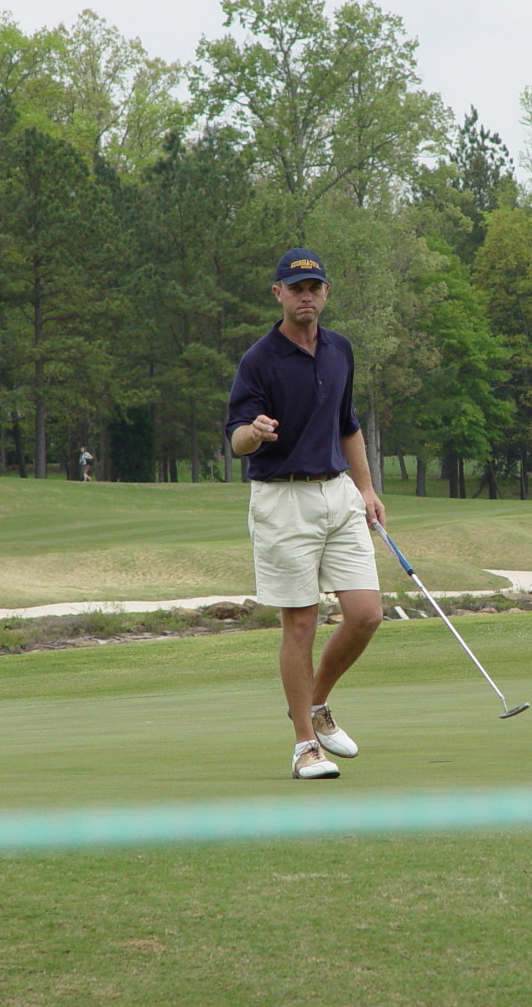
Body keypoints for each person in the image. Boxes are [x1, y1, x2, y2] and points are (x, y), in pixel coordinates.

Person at [226, 247, 386, 781]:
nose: (307, 296)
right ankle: (302, 746)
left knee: (365, 614)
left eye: (315, 287)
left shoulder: (340, 350)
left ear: (326, 292)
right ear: (278, 294)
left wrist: (366, 489)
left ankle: (315, 703)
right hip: (281, 498)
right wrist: (256, 433)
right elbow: (235, 439)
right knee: (300, 624)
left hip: (337, 493)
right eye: (296, 289)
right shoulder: (259, 359)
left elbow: (349, 423)